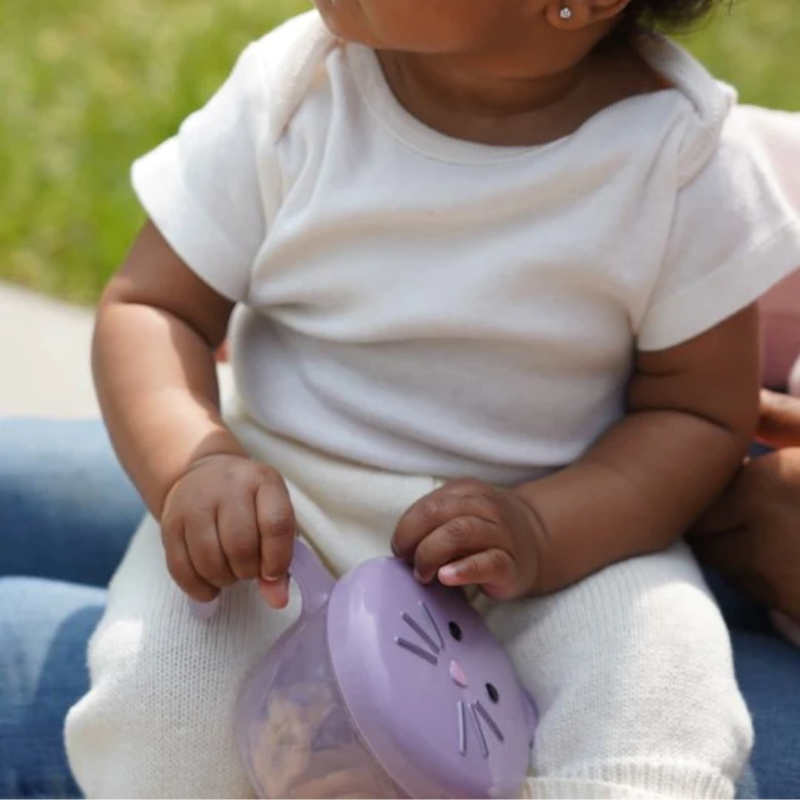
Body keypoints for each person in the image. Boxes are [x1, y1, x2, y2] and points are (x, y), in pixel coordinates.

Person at [48, 0, 800, 796]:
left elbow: (694, 413)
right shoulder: (298, 89)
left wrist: (544, 530)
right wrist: (189, 469)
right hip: (281, 517)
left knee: (665, 711)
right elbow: (152, 307)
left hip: (565, 534)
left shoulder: (680, 157)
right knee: (158, 699)